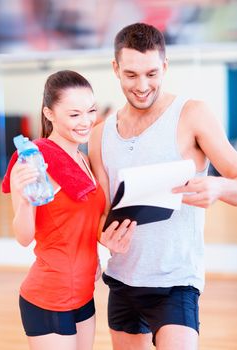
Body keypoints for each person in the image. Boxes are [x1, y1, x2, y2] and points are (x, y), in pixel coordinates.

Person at [88, 23, 237, 350]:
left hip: (176, 283)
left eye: (152, 74)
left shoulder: (192, 114)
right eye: (131, 75)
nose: (142, 86)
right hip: (123, 281)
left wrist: (219, 188)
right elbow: (101, 212)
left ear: (165, 67)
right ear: (115, 68)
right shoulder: (99, 135)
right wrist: (104, 234)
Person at [2, 70, 136, 350]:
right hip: (49, 296)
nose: (86, 121)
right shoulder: (33, 162)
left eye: (91, 111)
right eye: (74, 114)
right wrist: (26, 202)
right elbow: (24, 237)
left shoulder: (84, 159)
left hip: (84, 292)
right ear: (49, 113)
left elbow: (86, 221)